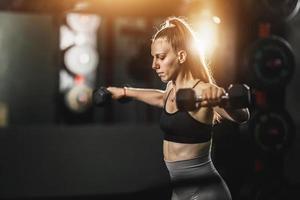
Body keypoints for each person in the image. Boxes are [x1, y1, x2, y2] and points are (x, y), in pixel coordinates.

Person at [106, 16, 250, 200]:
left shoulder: (203, 90)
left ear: (181, 56)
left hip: (206, 192)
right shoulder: (171, 88)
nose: (154, 65)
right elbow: (160, 98)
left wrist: (222, 99)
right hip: (180, 191)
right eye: (153, 58)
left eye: (161, 57)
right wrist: (125, 92)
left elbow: (243, 116)